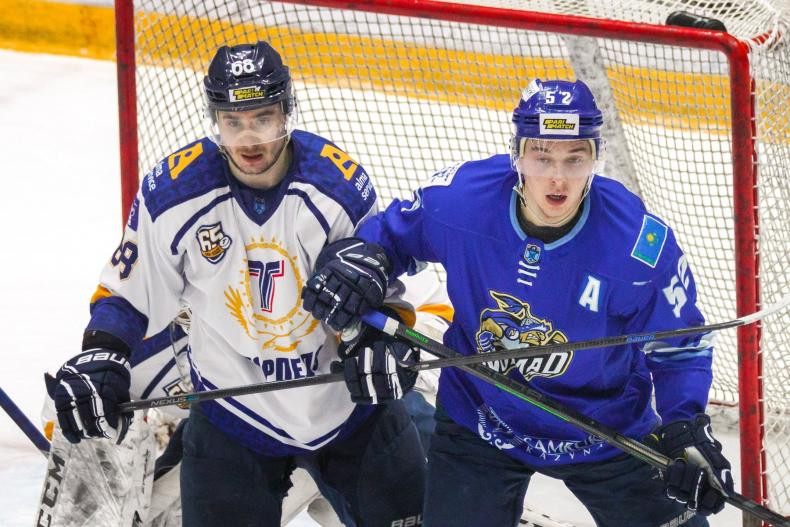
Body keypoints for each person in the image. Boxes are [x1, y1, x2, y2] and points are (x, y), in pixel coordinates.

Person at [302, 79, 735, 526]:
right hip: (481, 419)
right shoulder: (462, 201)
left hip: (607, 433)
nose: (558, 178)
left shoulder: (638, 247)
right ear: (518, 155)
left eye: (575, 158)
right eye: (542, 156)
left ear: (595, 159)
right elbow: (388, 241)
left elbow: (680, 347)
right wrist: (361, 273)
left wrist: (684, 426)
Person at [44, 41, 427, 527]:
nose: (248, 138)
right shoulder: (176, 192)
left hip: (347, 412)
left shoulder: (337, 189)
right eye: (233, 121)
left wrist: (378, 341)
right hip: (232, 414)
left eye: (263, 118)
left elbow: (379, 292)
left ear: (286, 111)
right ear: (215, 120)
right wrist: (103, 351)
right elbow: (128, 291)